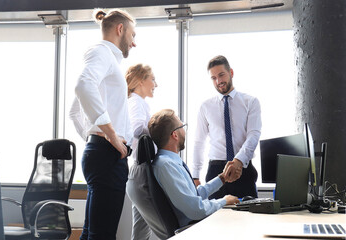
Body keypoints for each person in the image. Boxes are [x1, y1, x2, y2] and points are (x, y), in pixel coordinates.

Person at [71, 9, 136, 240]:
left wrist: (94, 137)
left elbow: (74, 112)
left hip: (101, 153)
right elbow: (82, 86)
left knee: (92, 234)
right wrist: (110, 136)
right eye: (132, 35)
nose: (133, 42)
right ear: (120, 29)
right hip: (107, 155)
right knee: (101, 236)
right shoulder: (102, 53)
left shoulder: (106, 59)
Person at [148, 109, 240, 228]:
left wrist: (222, 178)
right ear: (174, 135)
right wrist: (224, 201)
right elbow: (195, 210)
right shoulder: (166, 165)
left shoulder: (171, 162)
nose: (184, 131)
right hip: (194, 226)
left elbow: (194, 195)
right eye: (182, 126)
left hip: (197, 223)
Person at [191, 55, 262, 199]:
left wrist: (238, 160)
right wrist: (195, 175)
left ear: (231, 73)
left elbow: (253, 135)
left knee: (250, 218)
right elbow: (199, 141)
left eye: (221, 75)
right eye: (213, 78)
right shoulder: (206, 107)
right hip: (216, 172)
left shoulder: (251, 102)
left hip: (243, 169)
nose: (218, 81)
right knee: (214, 219)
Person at [123, 64, 162, 240]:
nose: (156, 84)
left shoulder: (139, 102)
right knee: (156, 224)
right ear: (140, 80)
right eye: (152, 79)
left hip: (140, 168)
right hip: (141, 170)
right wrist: (161, 127)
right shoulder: (135, 102)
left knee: (141, 228)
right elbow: (138, 128)